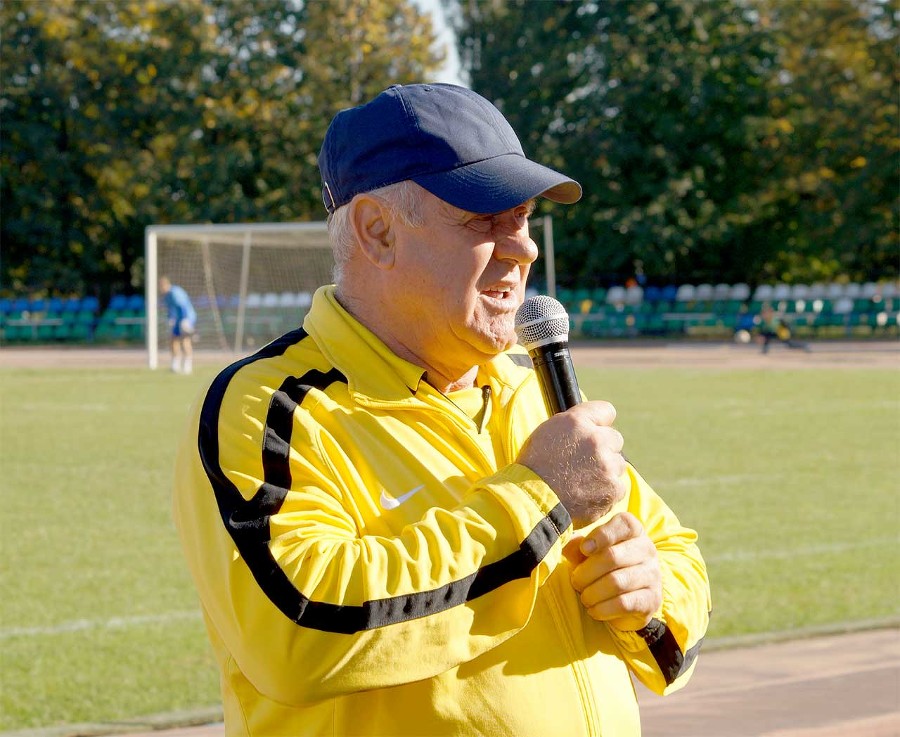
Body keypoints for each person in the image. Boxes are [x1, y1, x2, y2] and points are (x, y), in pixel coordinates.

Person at [172, 83, 711, 736]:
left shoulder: (531, 392)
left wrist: (650, 599)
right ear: (378, 231)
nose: (524, 247)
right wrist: (538, 499)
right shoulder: (271, 409)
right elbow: (301, 631)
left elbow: (673, 569)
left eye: (523, 217)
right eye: (484, 219)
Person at [159, 276, 196, 374]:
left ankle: (188, 365)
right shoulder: (166, 296)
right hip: (178, 319)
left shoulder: (175, 292)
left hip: (187, 317)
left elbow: (183, 306)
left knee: (185, 340)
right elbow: (170, 309)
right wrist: (171, 319)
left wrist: (185, 320)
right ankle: (175, 364)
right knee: (173, 340)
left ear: (166, 285)